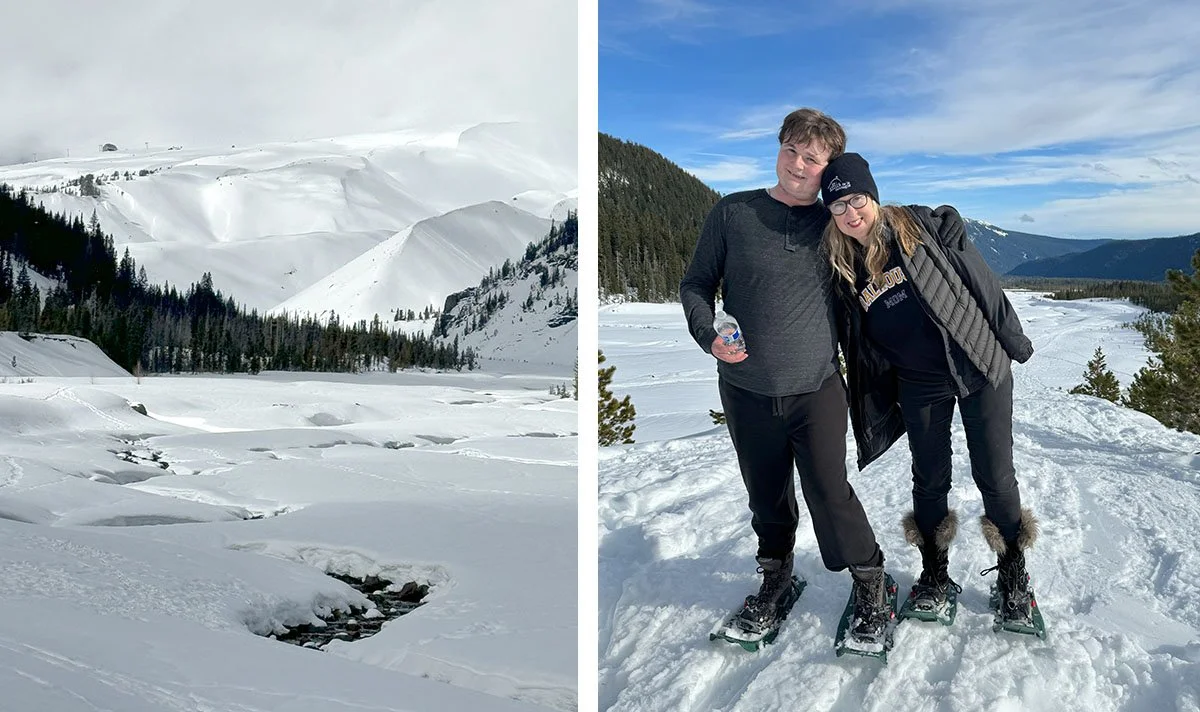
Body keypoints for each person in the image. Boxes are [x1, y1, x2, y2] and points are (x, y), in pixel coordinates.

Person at [680, 109, 892, 646]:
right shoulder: (733, 213)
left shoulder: (833, 223)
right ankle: (775, 578)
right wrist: (709, 335)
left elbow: (887, 265)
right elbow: (697, 284)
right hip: (746, 389)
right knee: (766, 494)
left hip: (816, 387)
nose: (799, 164)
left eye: (813, 158)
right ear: (779, 149)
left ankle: (871, 581)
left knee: (829, 492)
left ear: (828, 168)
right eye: (792, 150)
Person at [820, 152, 1041, 631]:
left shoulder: (919, 230)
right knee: (929, 479)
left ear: (872, 196)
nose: (850, 213)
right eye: (837, 206)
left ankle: (1013, 577)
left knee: (996, 477)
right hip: (917, 381)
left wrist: (1014, 342)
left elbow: (984, 285)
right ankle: (934, 574)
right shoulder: (843, 265)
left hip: (978, 364)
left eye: (856, 199)